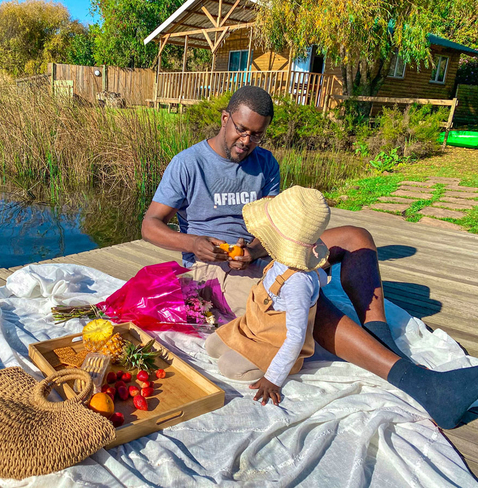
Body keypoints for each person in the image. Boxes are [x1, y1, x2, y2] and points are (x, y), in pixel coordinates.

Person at [141, 85, 478, 429]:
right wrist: (193, 242)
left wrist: (257, 249)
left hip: (267, 249)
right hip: (211, 266)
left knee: (355, 237)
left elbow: (273, 223)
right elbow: (150, 225)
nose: (246, 140)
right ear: (225, 118)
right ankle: (423, 386)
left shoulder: (265, 163)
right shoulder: (188, 164)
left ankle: (381, 341)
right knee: (302, 297)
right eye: (240, 129)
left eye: (257, 135)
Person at [205, 186, 330, 406]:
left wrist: (273, 378)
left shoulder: (298, 283)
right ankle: (244, 345)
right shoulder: (283, 259)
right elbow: (318, 276)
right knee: (212, 346)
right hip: (253, 327)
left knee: (229, 368)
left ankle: (276, 364)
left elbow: (296, 337)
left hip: (273, 342)